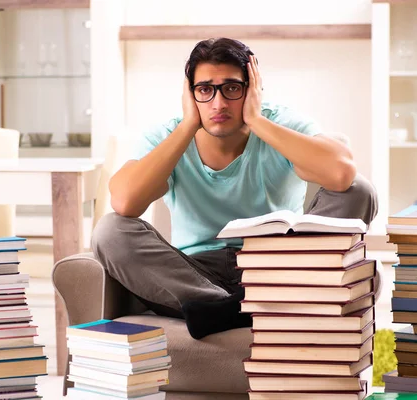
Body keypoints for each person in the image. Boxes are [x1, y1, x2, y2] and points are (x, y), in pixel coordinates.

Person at [92, 37, 378, 339]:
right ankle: (236, 308)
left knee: (360, 190)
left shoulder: (280, 123)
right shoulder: (168, 134)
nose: (219, 104)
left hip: (280, 270)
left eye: (232, 88)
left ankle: (248, 306)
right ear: (189, 95)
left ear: (253, 89)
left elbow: (342, 174)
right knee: (110, 231)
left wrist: (255, 120)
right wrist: (189, 125)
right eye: (204, 90)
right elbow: (125, 203)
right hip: (196, 274)